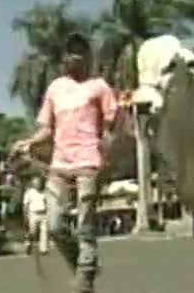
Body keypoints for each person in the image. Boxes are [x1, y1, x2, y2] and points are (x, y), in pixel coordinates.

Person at [11, 33, 118, 293]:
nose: (75, 56)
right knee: (56, 224)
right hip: (59, 165)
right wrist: (28, 143)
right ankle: (80, 264)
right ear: (65, 57)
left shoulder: (99, 87)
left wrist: (106, 155)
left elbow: (110, 126)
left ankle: (85, 277)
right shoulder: (55, 89)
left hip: (88, 163)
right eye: (71, 51)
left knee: (85, 225)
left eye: (81, 51)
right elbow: (46, 130)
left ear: (88, 57)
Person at [23, 176, 49, 255]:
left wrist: (48, 213)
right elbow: (25, 204)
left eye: (40, 183)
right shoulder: (29, 192)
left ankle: (43, 249)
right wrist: (25, 215)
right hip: (33, 214)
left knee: (44, 231)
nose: (39, 184)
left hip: (43, 214)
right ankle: (28, 244)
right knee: (32, 232)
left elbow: (47, 203)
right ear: (33, 184)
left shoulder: (45, 192)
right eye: (36, 183)